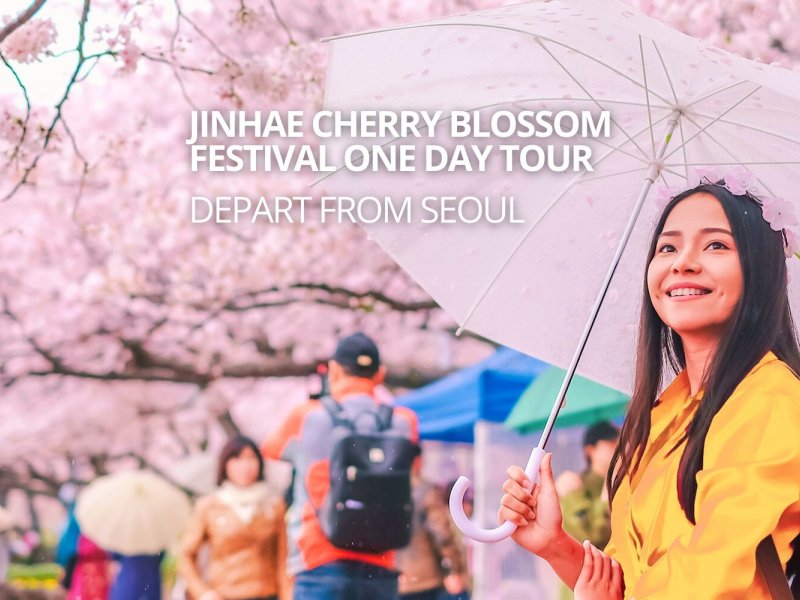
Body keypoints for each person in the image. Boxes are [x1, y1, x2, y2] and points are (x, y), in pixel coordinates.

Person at [498, 174, 800, 598]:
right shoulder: (666, 413)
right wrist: (555, 545)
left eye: (716, 245)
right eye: (667, 247)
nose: (682, 263)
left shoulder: (770, 400)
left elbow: (711, 579)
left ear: (763, 272)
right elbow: (631, 581)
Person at [262, 332, 419, 600]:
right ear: (380, 374)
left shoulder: (307, 415)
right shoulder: (405, 422)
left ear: (333, 370)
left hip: (319, 559)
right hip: (381, 560)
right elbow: (413, 471)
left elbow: (271, 449)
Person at [179, 436, 289, 600]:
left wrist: (287, 595)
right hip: (225, 595)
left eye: (251, 458)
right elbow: (186, 555)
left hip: (267, 594)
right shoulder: (209, 506)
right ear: (225, 465)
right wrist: (203, 592)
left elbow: (283, 558)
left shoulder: (273, 506)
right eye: (237, 459)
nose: (245, 465)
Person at [554, 421, 619, 600]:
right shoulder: (573, 486)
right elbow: (590, 535)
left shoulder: (626, 484)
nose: (618, 449)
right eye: (611, 443)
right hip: (581, 587)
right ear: (590, 450)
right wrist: (607, 495)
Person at [397, 476, 469, 600]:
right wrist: (455, 570)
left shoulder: (386, 487)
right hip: (426, 581)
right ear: (417, 460)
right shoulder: (425, 491)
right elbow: (442, 535)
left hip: (396, 580)